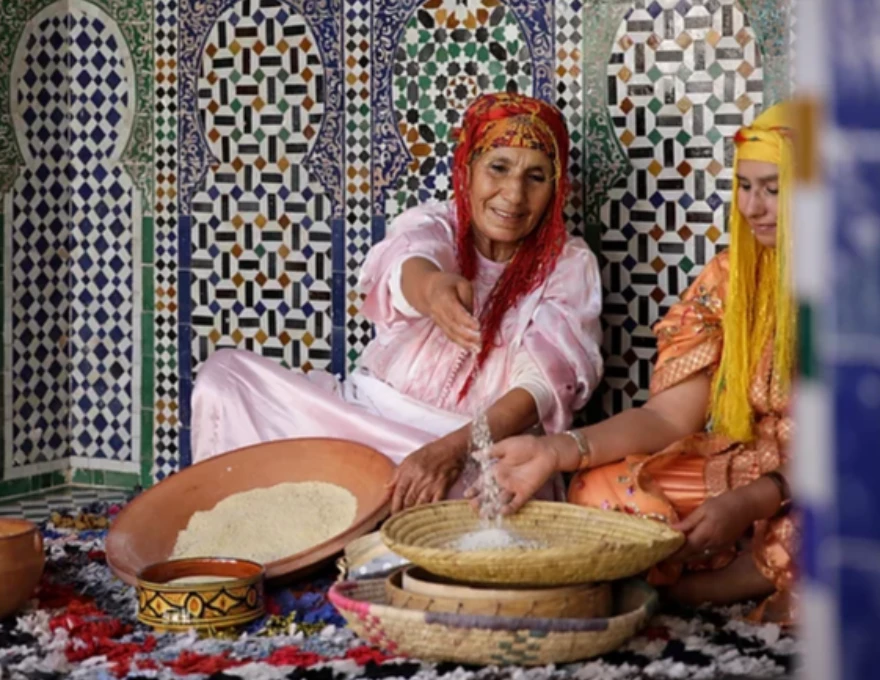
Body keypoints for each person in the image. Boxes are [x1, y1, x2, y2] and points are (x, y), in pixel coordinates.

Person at [190, 92, 604, 514]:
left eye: (536, 177)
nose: (514, 194)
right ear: (466, 171)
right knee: (224, 379)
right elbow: (409, 262)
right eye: (498, 168)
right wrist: (433, 291)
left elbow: (542, 388)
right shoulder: (435, 222)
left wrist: (451, 451)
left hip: (471, 450)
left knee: (480, 500)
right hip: (363, 418)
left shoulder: (568, 264)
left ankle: (361, 521)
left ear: (556, 188)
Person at [475, 102, 796, 624]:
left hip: (835, 480)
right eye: (745, 186)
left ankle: (730, 579)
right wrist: (557, 451)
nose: (752, 207)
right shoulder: (729, 279)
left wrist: (754, 503)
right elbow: (669, 419)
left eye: (774, 190)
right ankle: (747, 564)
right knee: (598, 490)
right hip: (753, 464)